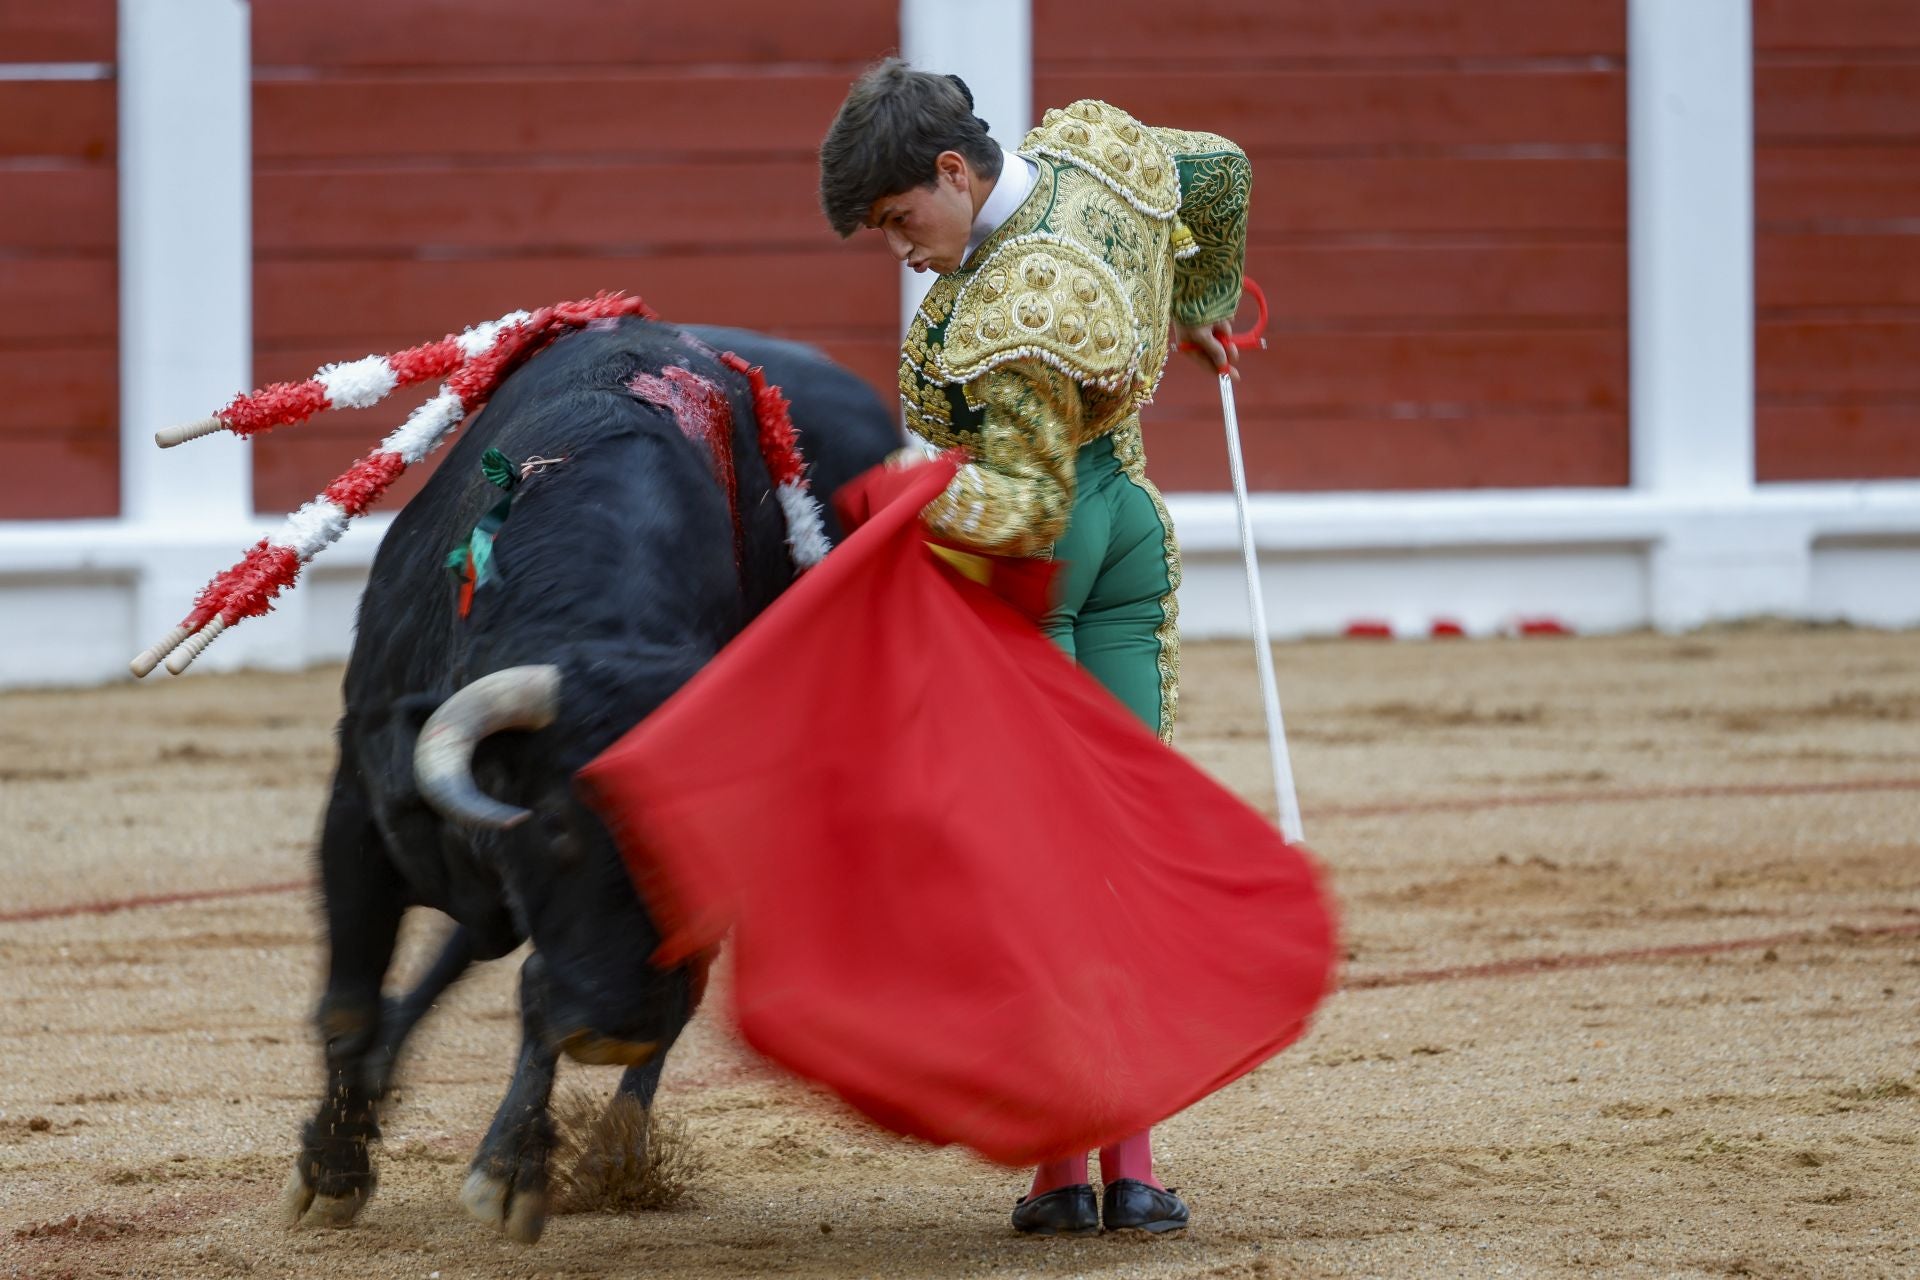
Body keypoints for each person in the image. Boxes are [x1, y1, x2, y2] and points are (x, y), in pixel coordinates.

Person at [817, 58, 1252, 1238]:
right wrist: (1197, 298)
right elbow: (1217, 172)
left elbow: (1015, 512)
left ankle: (1067, 1173)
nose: (902, 250)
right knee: (1118, 846)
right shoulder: (1093, 154)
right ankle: (1139, 1170)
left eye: (904, 219)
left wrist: (882, 501)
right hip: (1132, 537)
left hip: (1048, 561)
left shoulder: (1017, 310)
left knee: (1043, 865)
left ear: (954, 172)